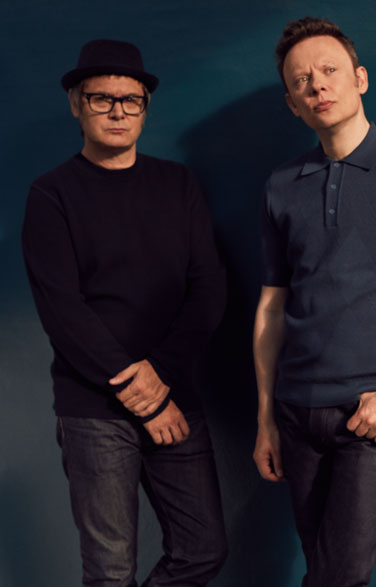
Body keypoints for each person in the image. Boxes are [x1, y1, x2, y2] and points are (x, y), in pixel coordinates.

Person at [252, 17, 376, 587]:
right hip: (295, 412)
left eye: (329, 70)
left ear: (359, 79)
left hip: (372, 417)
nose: (317, 84)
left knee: (338, 576)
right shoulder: (280, 185)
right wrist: (266, 418)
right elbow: (271, 307)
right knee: (322, 570)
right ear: (293, 103)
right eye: (301, 80)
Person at [21, 39, 228, 586]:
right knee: (111, 573)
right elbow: (62, 310)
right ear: (76, 103)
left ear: (144, 108)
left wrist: (160, 378)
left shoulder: (178, 185)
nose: (117, 111)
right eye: (101, 99)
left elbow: (208, 289)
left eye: (130, 100)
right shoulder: (52, 195)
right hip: (93, 410)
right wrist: (143, 394)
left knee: (203, 550)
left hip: (176, 397)